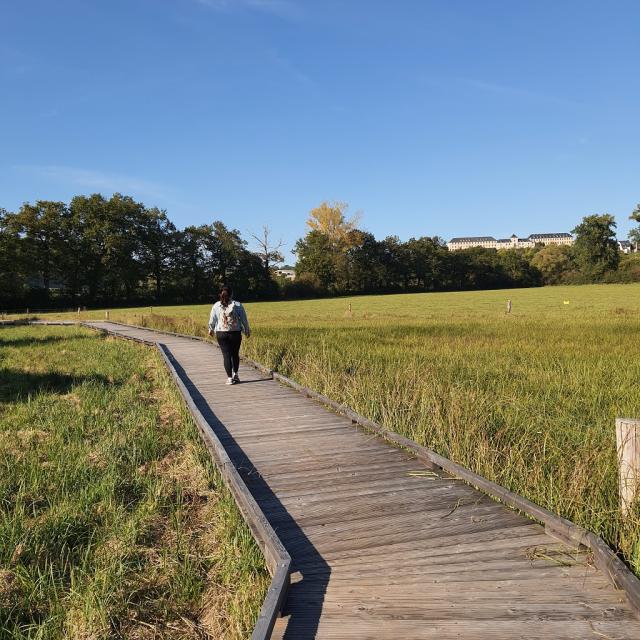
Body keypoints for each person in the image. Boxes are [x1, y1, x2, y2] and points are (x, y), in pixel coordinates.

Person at [207, 285, 251, 385]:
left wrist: (210, 329)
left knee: (226, 356)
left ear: (220, 294)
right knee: (235, 354)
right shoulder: (238, 305)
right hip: (235, 333)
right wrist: (247, 330)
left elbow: (212, 320)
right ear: (232, 294)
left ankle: (230, 378)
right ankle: (236, 374)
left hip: (221, 333)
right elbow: (244, 319)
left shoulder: (216, 305)